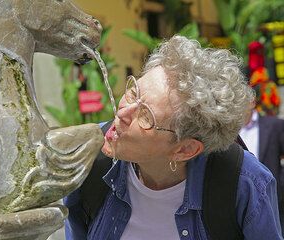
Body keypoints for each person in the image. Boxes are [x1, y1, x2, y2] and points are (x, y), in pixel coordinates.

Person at [64, 35, 283, 239]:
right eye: (133, 92)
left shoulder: (245, 183)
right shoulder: (89, 157)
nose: (122, 113)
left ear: (184, 150)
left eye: (145, 116)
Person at [240, 106, 284, 232]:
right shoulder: (226, 128)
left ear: (251, 101)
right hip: (238, 198)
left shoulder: (275, 124)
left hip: (272, 198)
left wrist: (281, 184)